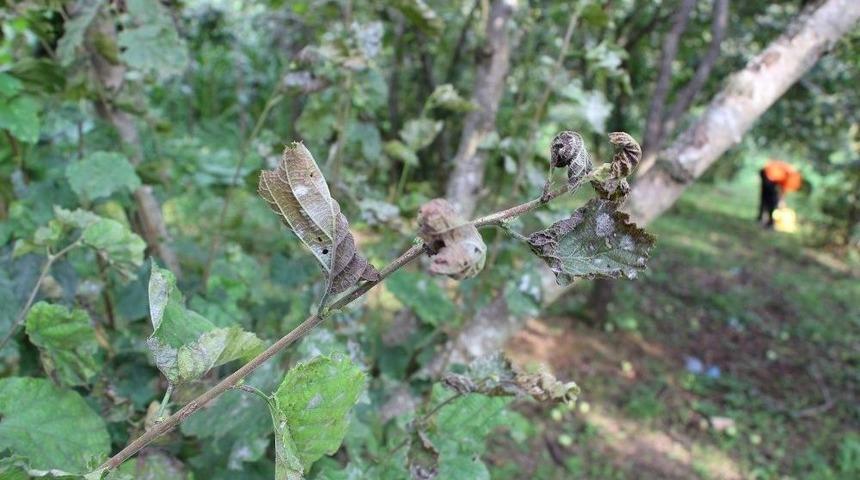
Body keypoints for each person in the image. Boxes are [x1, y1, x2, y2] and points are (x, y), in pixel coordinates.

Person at [758, 160, 802, 228]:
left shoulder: (791, 175)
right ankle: (768, 221)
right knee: (770, 200)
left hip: (768, 174)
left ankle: (765, 219)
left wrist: (781, 200)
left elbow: (782, 189)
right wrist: (781, 201)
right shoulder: (792, 177)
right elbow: (782, 189)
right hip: (768, 175)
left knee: (768, 199)